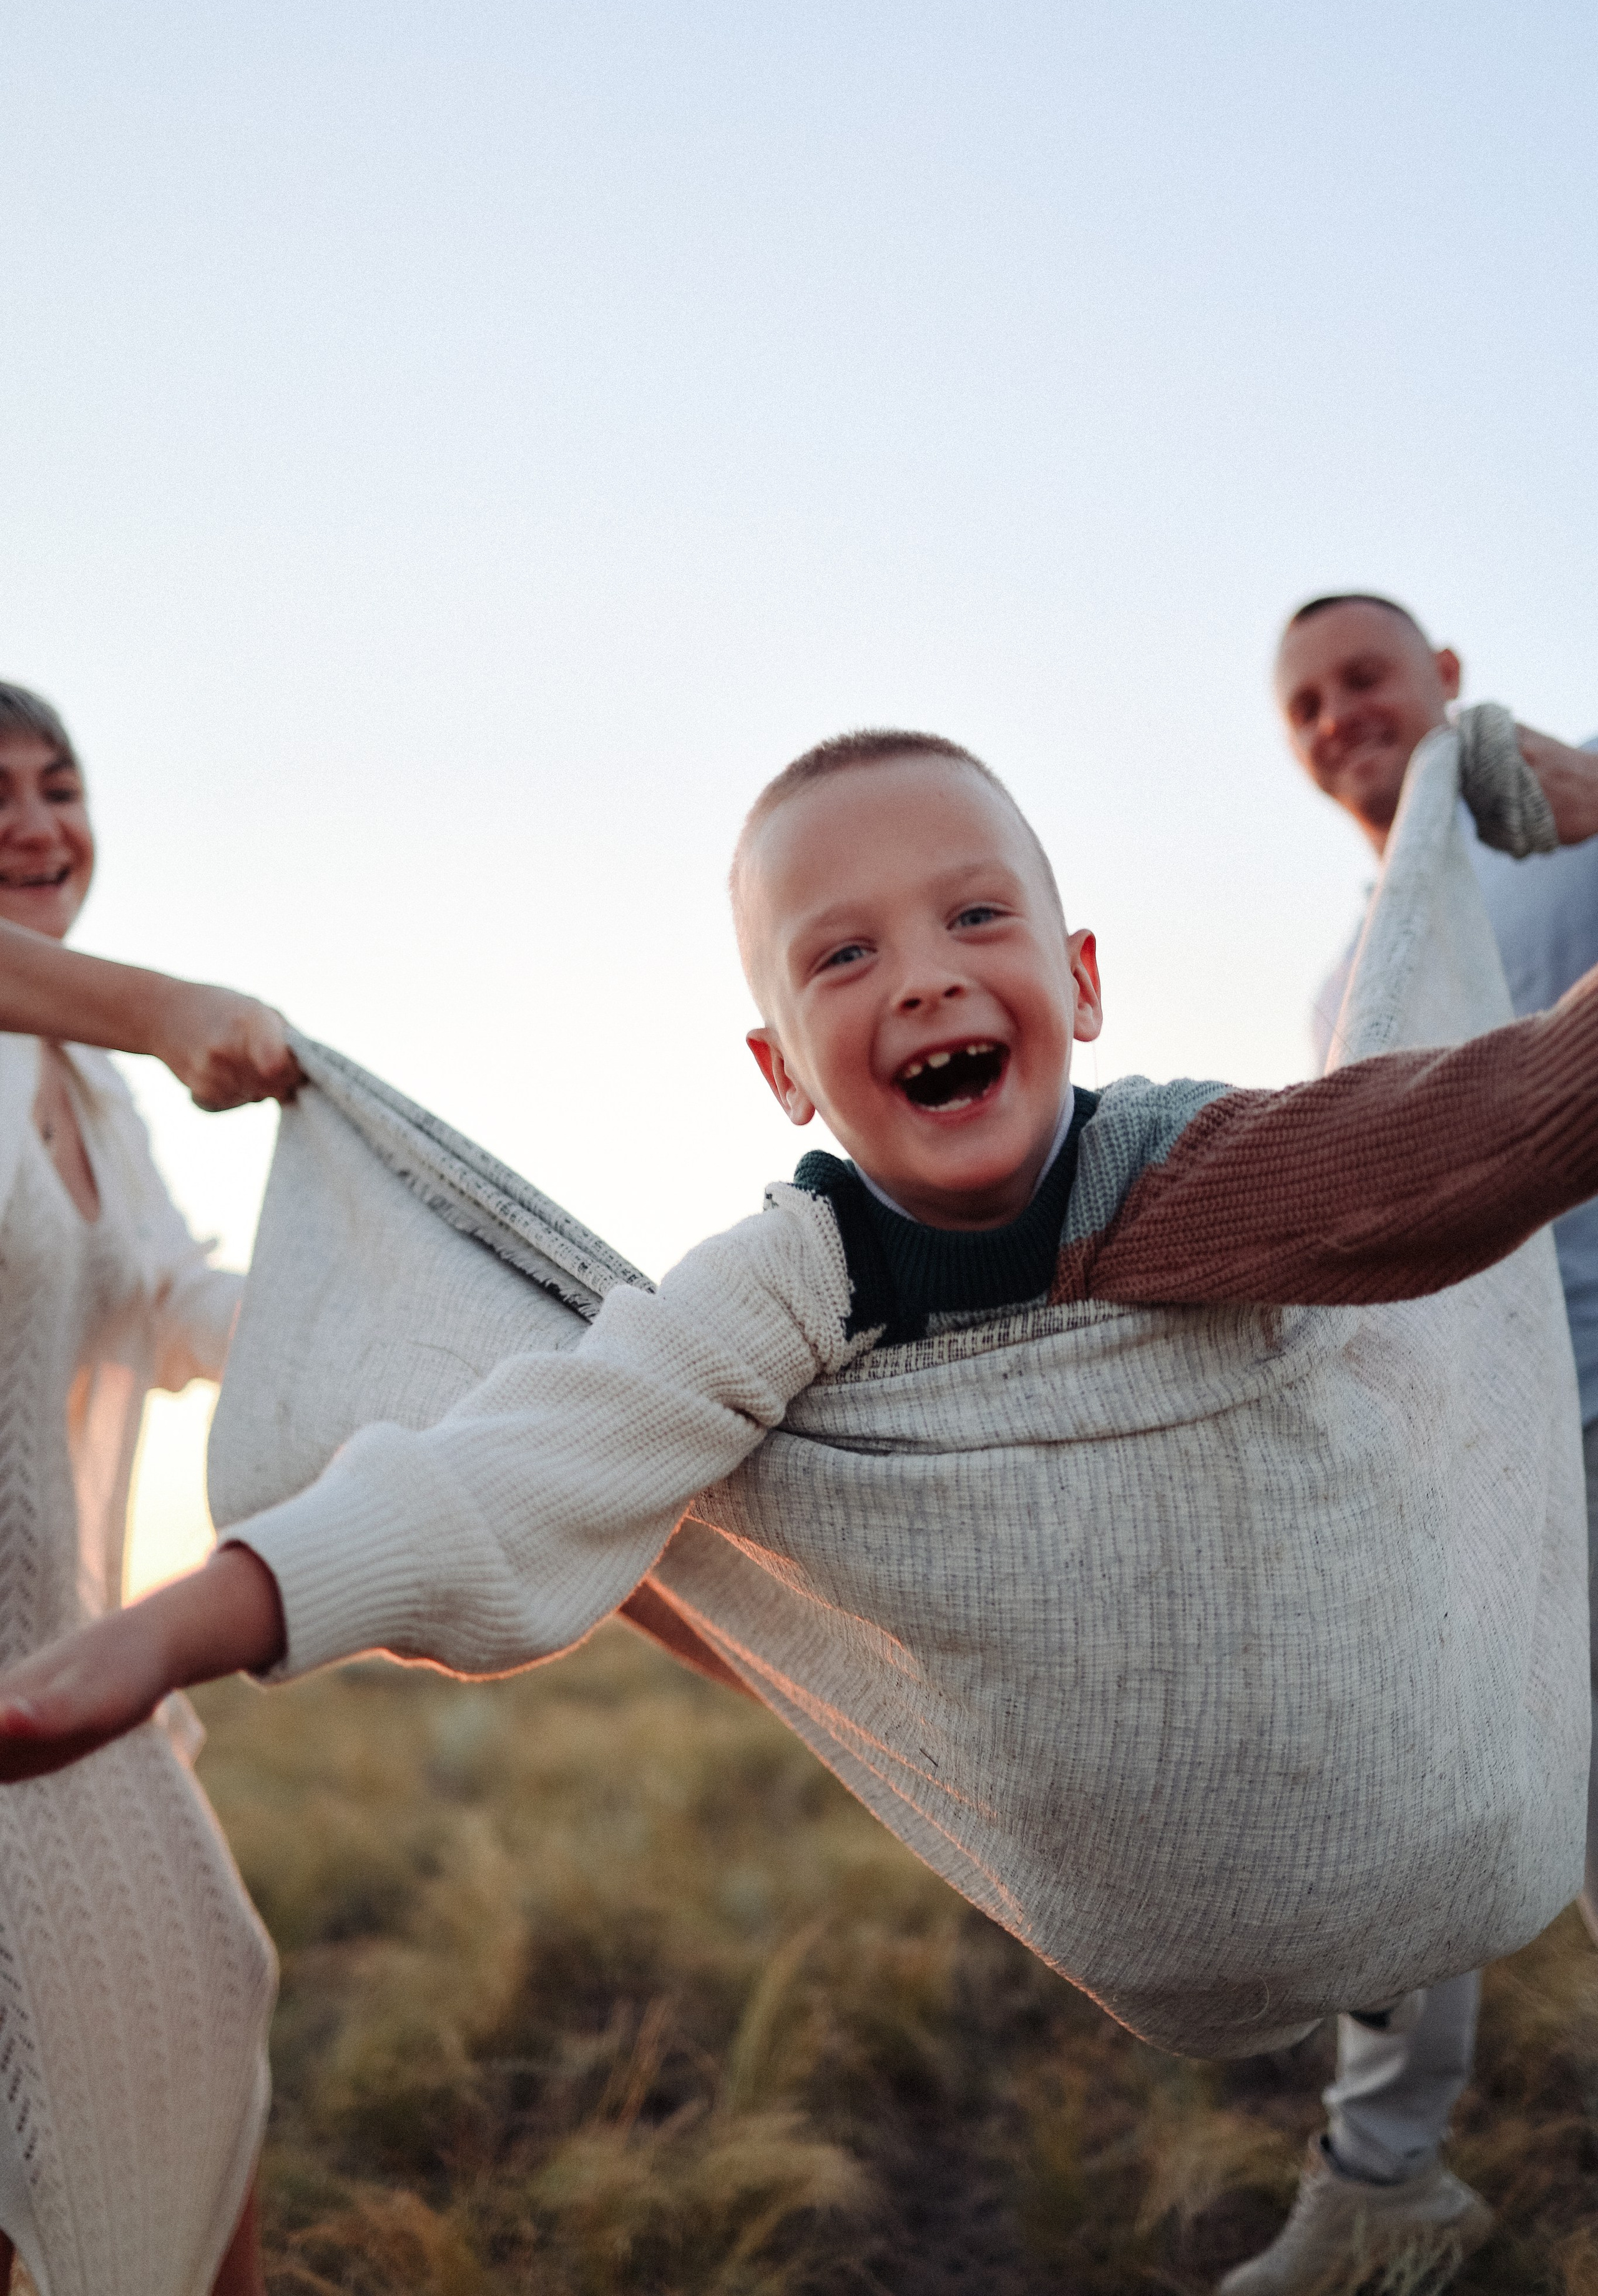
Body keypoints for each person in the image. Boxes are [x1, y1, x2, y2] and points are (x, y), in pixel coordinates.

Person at [0, 731, 1594, 2200]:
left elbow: (1473, 1137)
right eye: (844, 955)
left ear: (1080, 980)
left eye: (975, 921)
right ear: (783, 1076)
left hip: (1386, 1778)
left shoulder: (1178, 1169)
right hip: (1152, 1901)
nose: (919, 982)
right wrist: (169, 1631)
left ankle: (1389, 2169)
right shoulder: (795, 1277)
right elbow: (513, 1464)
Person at [1211, 594, 1598, 2296]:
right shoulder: (1339, 985)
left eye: (1363, 677)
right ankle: (1385, 2193)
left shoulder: (1574, 837)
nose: (1337, 716)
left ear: (1446, 680)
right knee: (1402, 1822)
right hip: (1450, 1468)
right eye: (1303, 702)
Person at [0, 680, 301, 2296]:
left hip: (75, 1674)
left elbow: (178, 1306)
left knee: (211, 2021)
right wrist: (168, 1000)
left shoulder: (88, 1081)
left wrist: (378, 1313)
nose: (38, 824)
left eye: (61, 783)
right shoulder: (98, 1031)